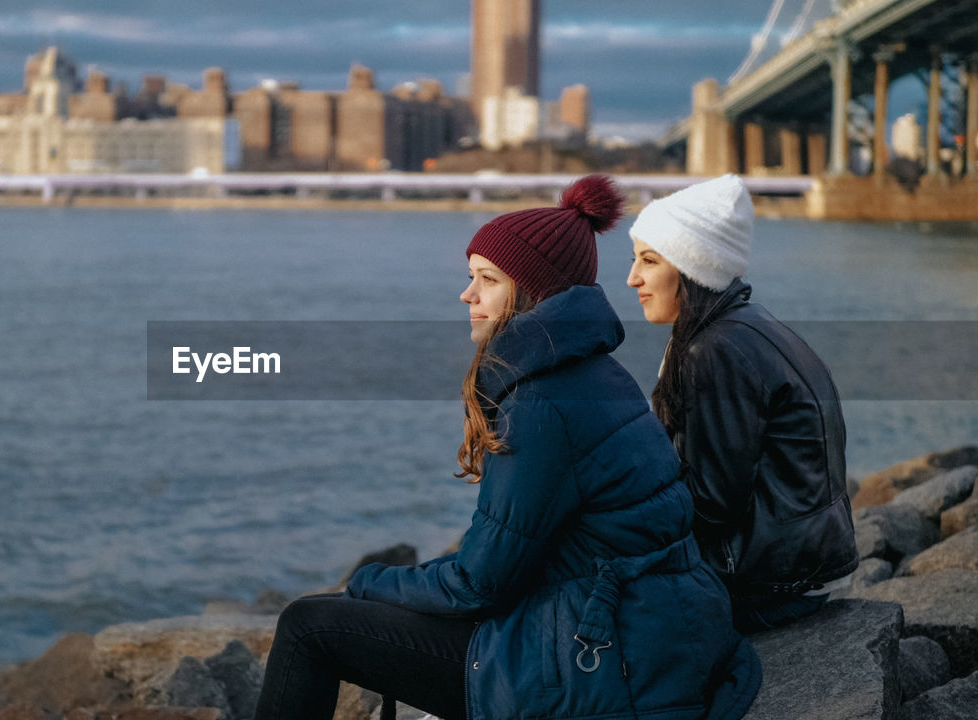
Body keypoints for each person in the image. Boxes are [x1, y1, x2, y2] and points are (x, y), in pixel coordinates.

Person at [253, 175, 760, 720]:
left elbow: (479, 585)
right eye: (470, 277)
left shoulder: (540, 402)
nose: (467, 295)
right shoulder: (596, 372)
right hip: (648, 626)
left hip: (595, 657)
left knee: (308, 627)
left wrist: (370, 582)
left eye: (487, 280)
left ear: (531, 293)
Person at [626, 174, 859, 634]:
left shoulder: (714, 349)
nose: (633, 278)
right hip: (807, 559)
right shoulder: (746, 325)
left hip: (772, 579)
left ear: (693, 268)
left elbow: (712, 504)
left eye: (649, 261)